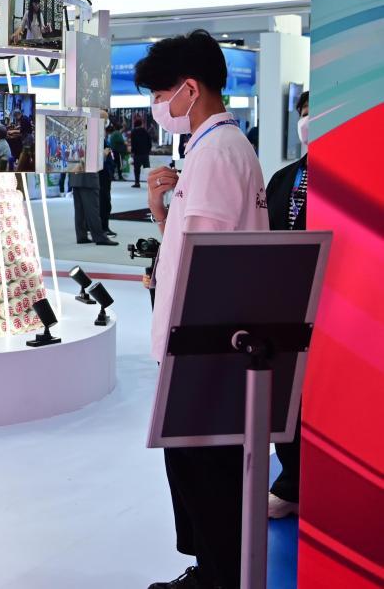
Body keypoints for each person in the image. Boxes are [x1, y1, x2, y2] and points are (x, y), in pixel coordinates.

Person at [138, 30, 269, 589]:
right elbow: (194, 245)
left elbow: (207, 262)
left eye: (160, 93)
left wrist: (184, 351)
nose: (158, 105)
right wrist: (160, 212)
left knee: (206, 475)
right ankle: (209, 571)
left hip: (203, 345)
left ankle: (218, 577)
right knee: (196, 472)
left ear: (190, 89)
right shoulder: (216, 148)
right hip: (204, 340)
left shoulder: (215, 153)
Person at [264, 90, 309, 519]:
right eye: (304, 113)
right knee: (287, 399)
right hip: (283, 304)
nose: (308, 121)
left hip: (337, 306)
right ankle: (292, 484)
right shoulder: (284, 178)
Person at [71, 170, 117, 246]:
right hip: (88, 179)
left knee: (79, 210)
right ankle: (99, 237)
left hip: (75, 178)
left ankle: (81, 236)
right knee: (92, 210)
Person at [130, 114, 152, 188]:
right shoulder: (146, 132)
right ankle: (150, 183)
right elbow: (149, 142)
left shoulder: (133, 132)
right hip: (145, 154)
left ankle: (137, 183)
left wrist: (132, 152)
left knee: (137, 169)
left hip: (137, 154)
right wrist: (148, 150)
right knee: (147, 169)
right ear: (141, 124)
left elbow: (133, 143)